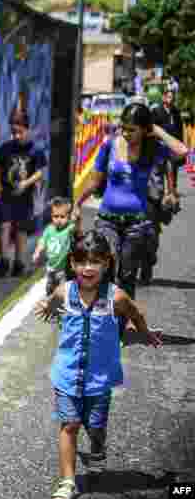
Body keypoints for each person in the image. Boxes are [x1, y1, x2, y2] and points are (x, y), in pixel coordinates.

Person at [33, 230, 162, 499]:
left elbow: (135, 313)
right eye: (81, 261)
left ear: (107, 263)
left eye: (95, 261)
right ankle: (68, 482)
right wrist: (47, 307)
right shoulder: (65, 291)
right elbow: (52, 300)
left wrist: (145, 333)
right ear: (72, 263)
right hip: (67, 375)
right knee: (69, 425)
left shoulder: (116, 297)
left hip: (99, 379)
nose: (88, 268)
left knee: (95, 427)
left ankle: (97, 450)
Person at [73, 102, 188, 296]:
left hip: (137, 224)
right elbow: (94, 181)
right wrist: (77, 203)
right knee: (105, 270)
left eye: (132, 130)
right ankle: (104, 312)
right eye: (123, 128)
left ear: (144, 130)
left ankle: (123, 313)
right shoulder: (109, 144)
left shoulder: (153, 148)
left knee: (127, 277)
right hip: (107, 220)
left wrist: (157, 130)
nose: (126, 134)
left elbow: (182, 151)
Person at [0, 108, 46, 277]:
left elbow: (40, 172)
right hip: (6, 194)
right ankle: (4, 261)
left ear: (27, 129)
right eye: (13, 132)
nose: (16, 136)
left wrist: (26, 183)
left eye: (20, 132)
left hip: (24, 196)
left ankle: (19, 262)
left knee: (21, 229)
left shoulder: (35, 149)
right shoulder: (6, 148)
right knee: (4, 225)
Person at [33, 196, 76, 297]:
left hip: (64, 269)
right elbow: (42, 241)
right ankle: (50, 299)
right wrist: (37, 252)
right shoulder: (49, 229)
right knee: (50, 289)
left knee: (63, 292)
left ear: (68, 216)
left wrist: (77, 219)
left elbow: (77, 228)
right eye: (56, 216)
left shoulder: (69, 228)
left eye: (62, 217)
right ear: (51, 216)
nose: (59, 220)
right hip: (51, 268)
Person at [151, 85, 183, 213]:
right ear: (163, 98)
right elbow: (152, 129)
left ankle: (172, 200)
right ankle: (158, 200)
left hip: (173, 148)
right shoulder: (156, 111)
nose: (171, 99)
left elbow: (180, 130)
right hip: (159, 148)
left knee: (172, 173)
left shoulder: (176, 112)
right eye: (169, 97)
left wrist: (180, 146)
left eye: (172, 97)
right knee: (158, 175)